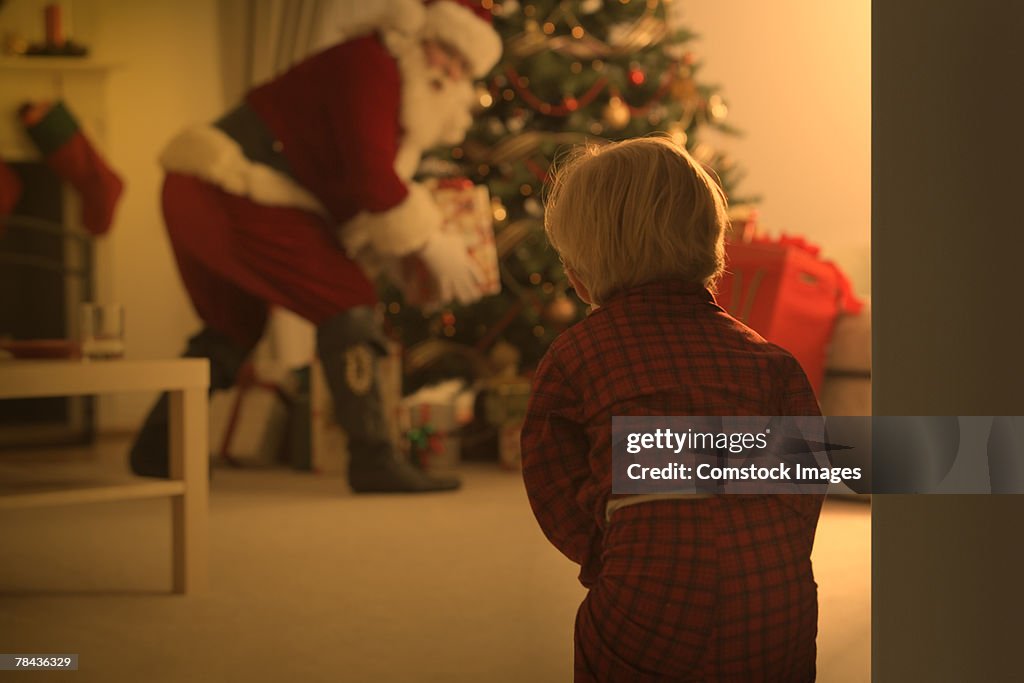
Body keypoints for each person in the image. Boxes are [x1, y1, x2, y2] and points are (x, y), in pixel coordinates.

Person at [129, 0, 502, 493]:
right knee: (348, 300)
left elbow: (352, 187)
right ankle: (373, 459)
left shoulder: (391, 83)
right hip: (230, 182)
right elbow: (370, 179)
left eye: (463, 67)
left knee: (232, 324)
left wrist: (411, 247)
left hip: (204, 187)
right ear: (415, 34)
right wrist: (429, 240)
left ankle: (156, 446)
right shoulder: (373, 63)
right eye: (444, 51)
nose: (449, 71)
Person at [521, 136, 824, 681]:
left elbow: (552, 481)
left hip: (649, 590)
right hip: (775, 601)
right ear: (715, 248)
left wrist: (607, 554)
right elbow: (808, 481)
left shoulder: (574, 357)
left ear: (577, 277)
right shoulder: (771, 362)